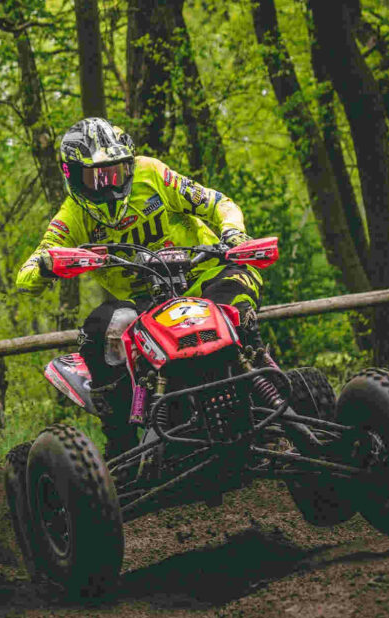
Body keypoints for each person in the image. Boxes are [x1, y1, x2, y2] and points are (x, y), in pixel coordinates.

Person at [17, 117, 266, 456]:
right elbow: (27, 275)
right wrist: (47, 265)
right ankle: (120, 441)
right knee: (101, 327)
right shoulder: (72, 215)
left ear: (130, 167)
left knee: (238, 309)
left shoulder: (153, 174)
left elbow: (217, 201)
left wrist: (233, 233)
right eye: (97, 177)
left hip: (208, 275)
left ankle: (269, 397)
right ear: (73, 175)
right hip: (148, 301)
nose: (108, 185)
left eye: (116, 173)